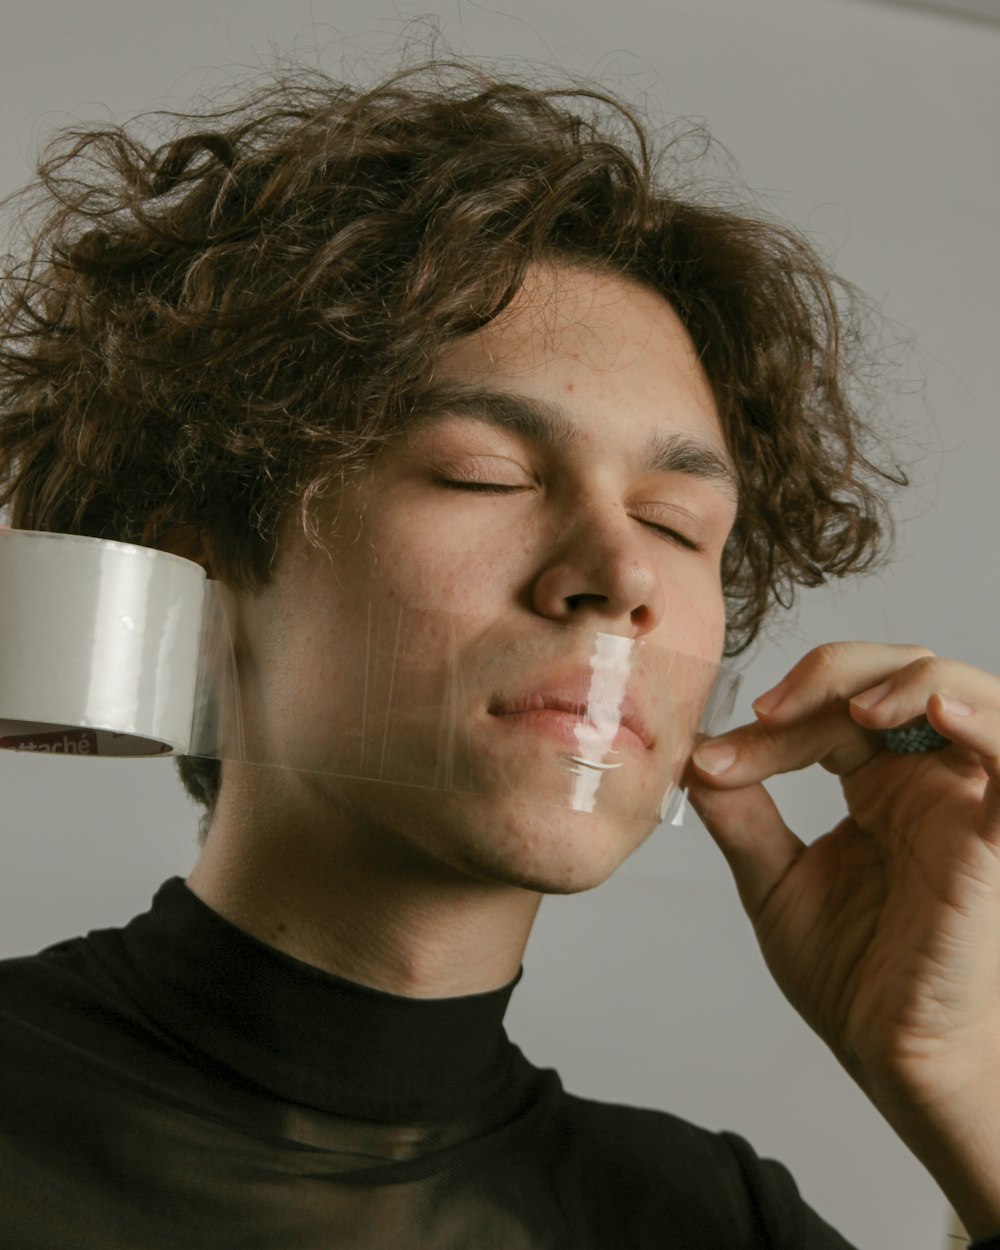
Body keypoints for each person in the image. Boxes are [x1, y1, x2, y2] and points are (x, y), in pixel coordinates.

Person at [0, 57, 998, 1249]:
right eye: (489, 473)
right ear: (200, 562)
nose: (622, 579)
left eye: (680, 526)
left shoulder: (720, 1224)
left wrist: (965, 1081)